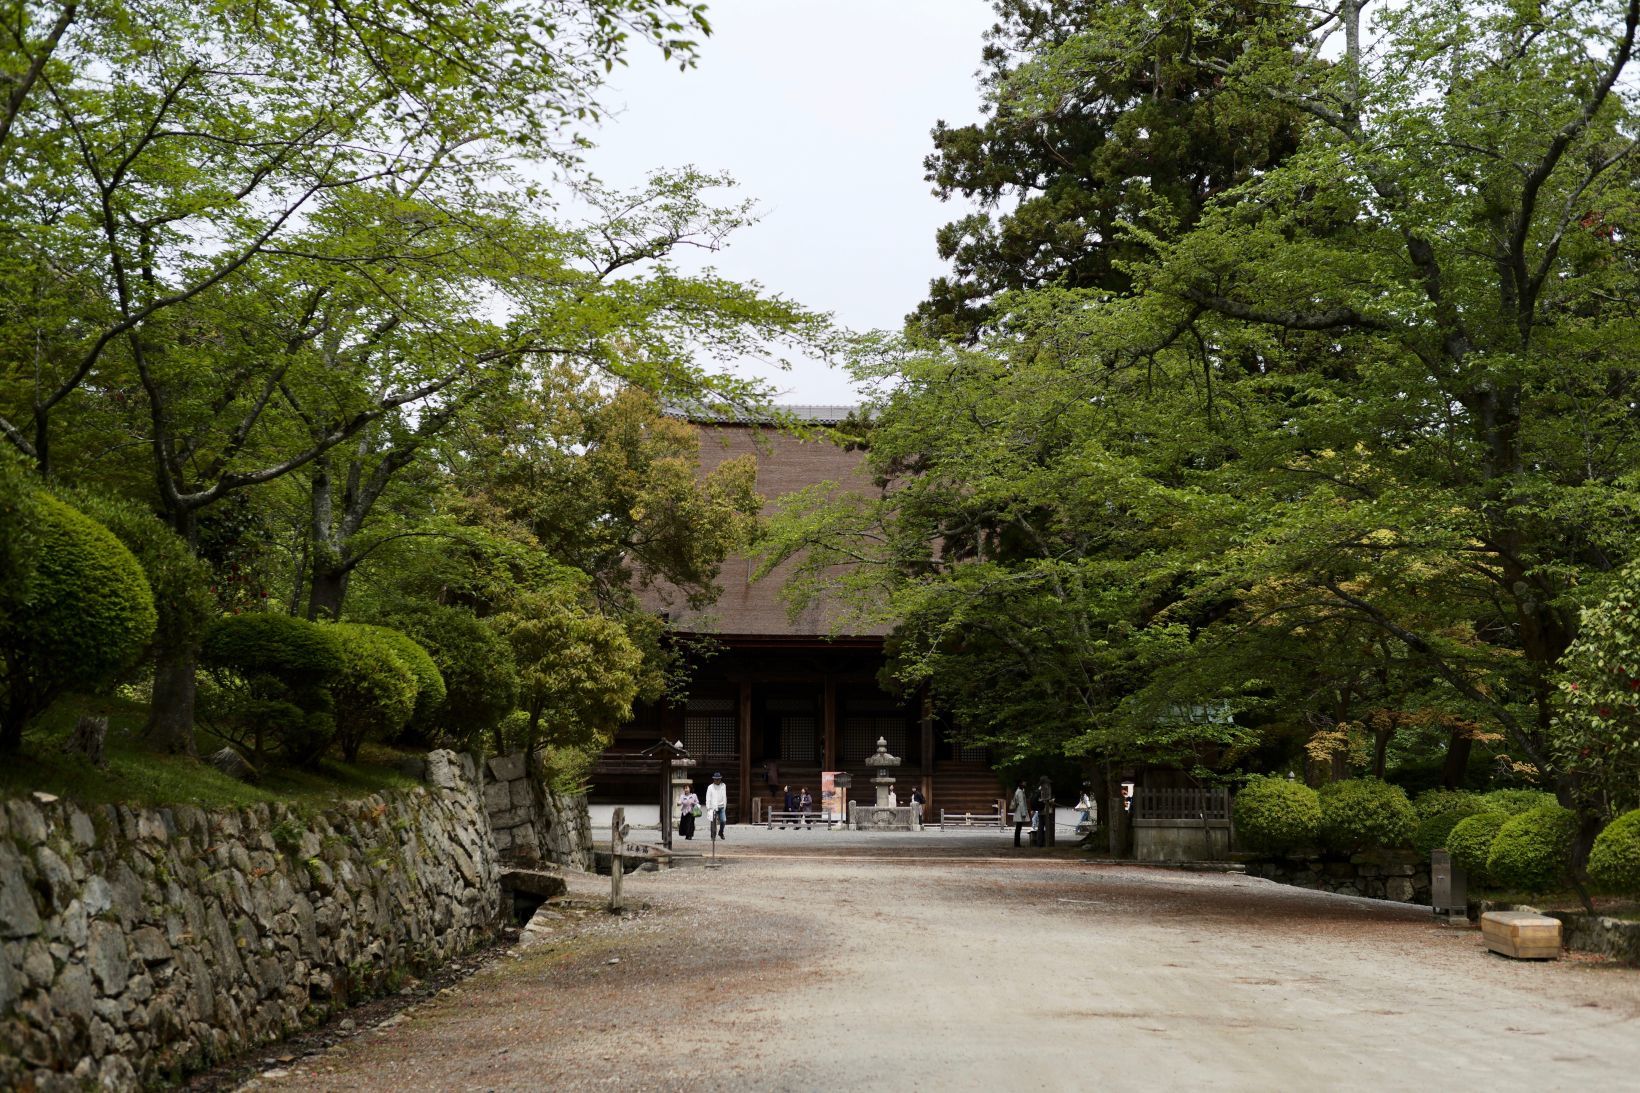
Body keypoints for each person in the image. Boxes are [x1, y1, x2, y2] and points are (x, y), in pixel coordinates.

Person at [705, 771, 728, 840]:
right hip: (713, 806)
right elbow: (708, 797)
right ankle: (713, 835)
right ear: (714, 779)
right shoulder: (710, 787)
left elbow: (725, 796)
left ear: (720, 779)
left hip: (721, 806)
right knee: (713, 822)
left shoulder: (723, 786)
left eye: (718, 779)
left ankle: (721, 832)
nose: (717, 780)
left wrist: (725, 804)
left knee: (723, 820)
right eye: (716, 779)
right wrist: (708, 807)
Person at [1012, 780, 1030, 848]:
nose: (1025, 783)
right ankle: (1017, 844)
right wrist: (1023, 813)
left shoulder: (1019, 791)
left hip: (1019, 811)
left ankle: (1017, 843)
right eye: (1024, 782)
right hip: (1020, 811)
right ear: (1020, 783)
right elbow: (1021, 803)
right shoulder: (1020, 792)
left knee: (1018, 828)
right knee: (1018, 828)